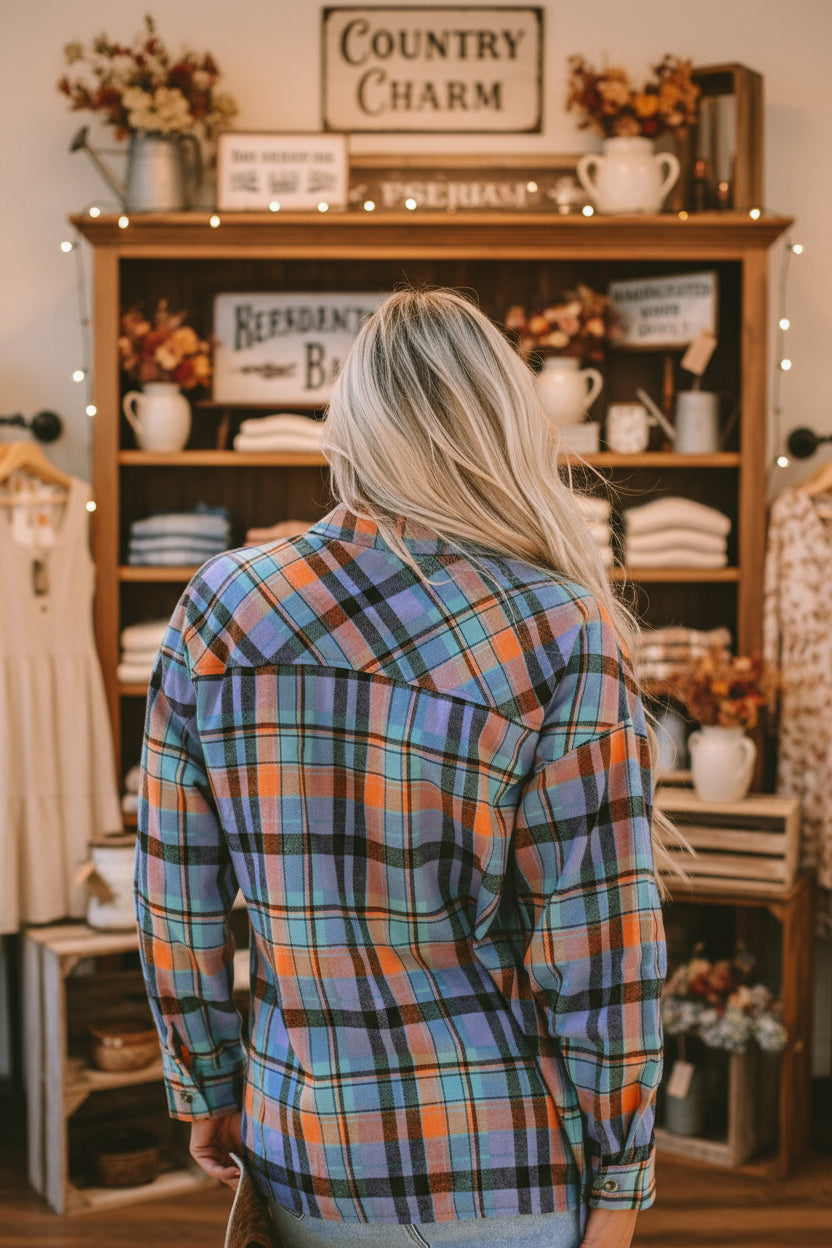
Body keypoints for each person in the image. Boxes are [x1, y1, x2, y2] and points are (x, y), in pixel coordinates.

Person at [136, 288, 674, 1248]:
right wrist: (624, 1183)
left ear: (351, 422)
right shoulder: (560, 626)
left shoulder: (220, 607)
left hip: (305, 1138)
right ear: (505, 427)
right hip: (503, 1154)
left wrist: (206, 1082)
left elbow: (176, 894)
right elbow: (603, 946)